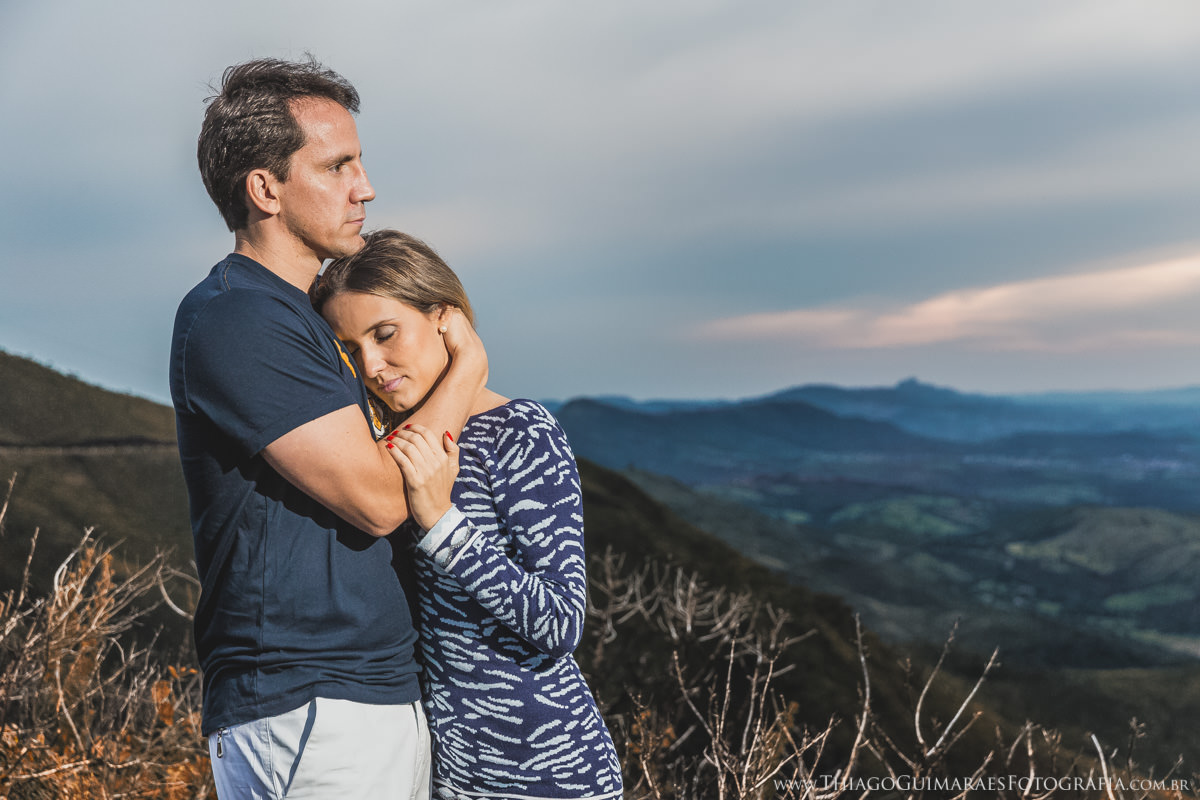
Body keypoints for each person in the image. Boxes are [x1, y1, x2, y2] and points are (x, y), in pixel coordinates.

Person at [170, 57, 486, 799]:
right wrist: (466, 371)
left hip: (366, 699)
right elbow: (380, 498)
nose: (364, 187)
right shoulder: (237, 317)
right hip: (309, 706)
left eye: (360, 162)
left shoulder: (303, 317)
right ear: (265, 188)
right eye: (338, 165)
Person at [311, 229, 624, 800]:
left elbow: (561, 621)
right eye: (352, 349)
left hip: (551, 773)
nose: (373, 365)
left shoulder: (521, 433)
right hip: (452, 778)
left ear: (443, 318)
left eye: (385, 334)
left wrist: (442, 526)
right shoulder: (384, 447)